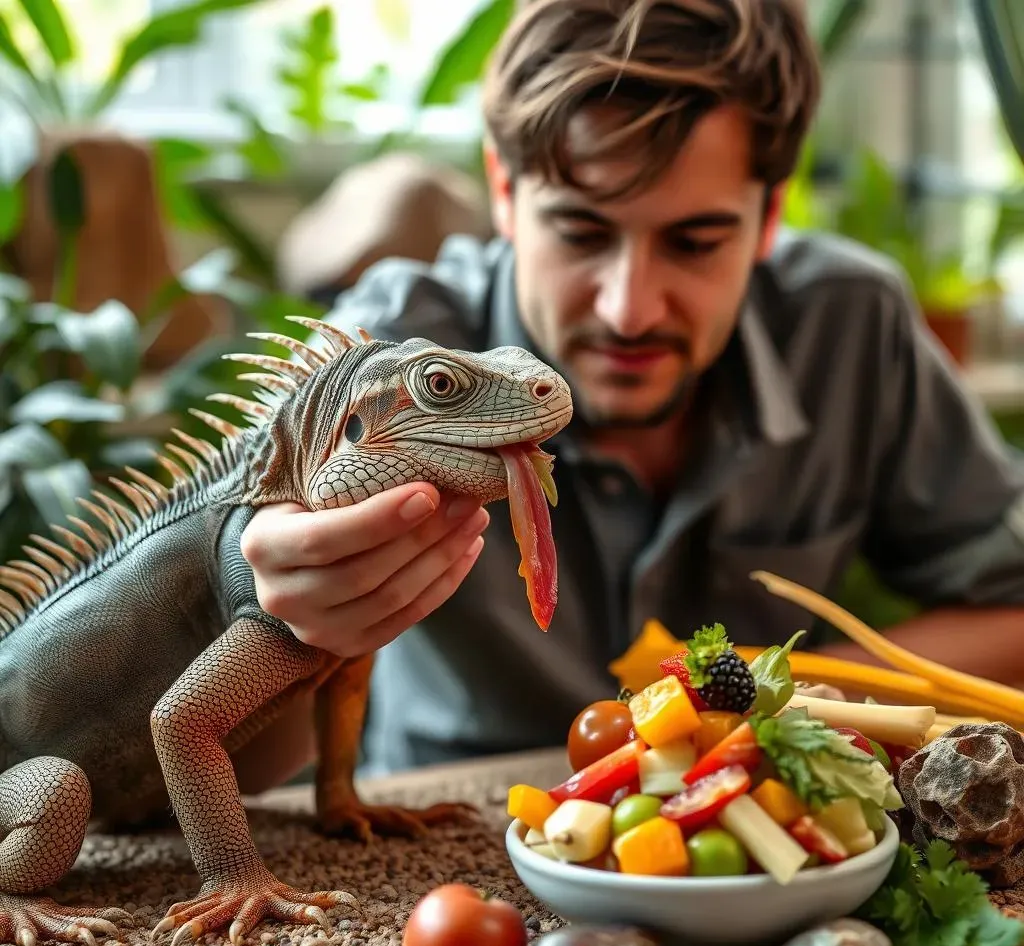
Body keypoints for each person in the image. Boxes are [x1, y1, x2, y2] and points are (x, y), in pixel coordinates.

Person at [237, 0, 1024, 781]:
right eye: (581, 233)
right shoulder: (371, 363)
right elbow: (216, 753)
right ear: (504, 192)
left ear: (770, 216)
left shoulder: (849, 327)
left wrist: (766, 694)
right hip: (438, 840)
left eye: (695, 242)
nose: (629, 308)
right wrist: (291, 617)